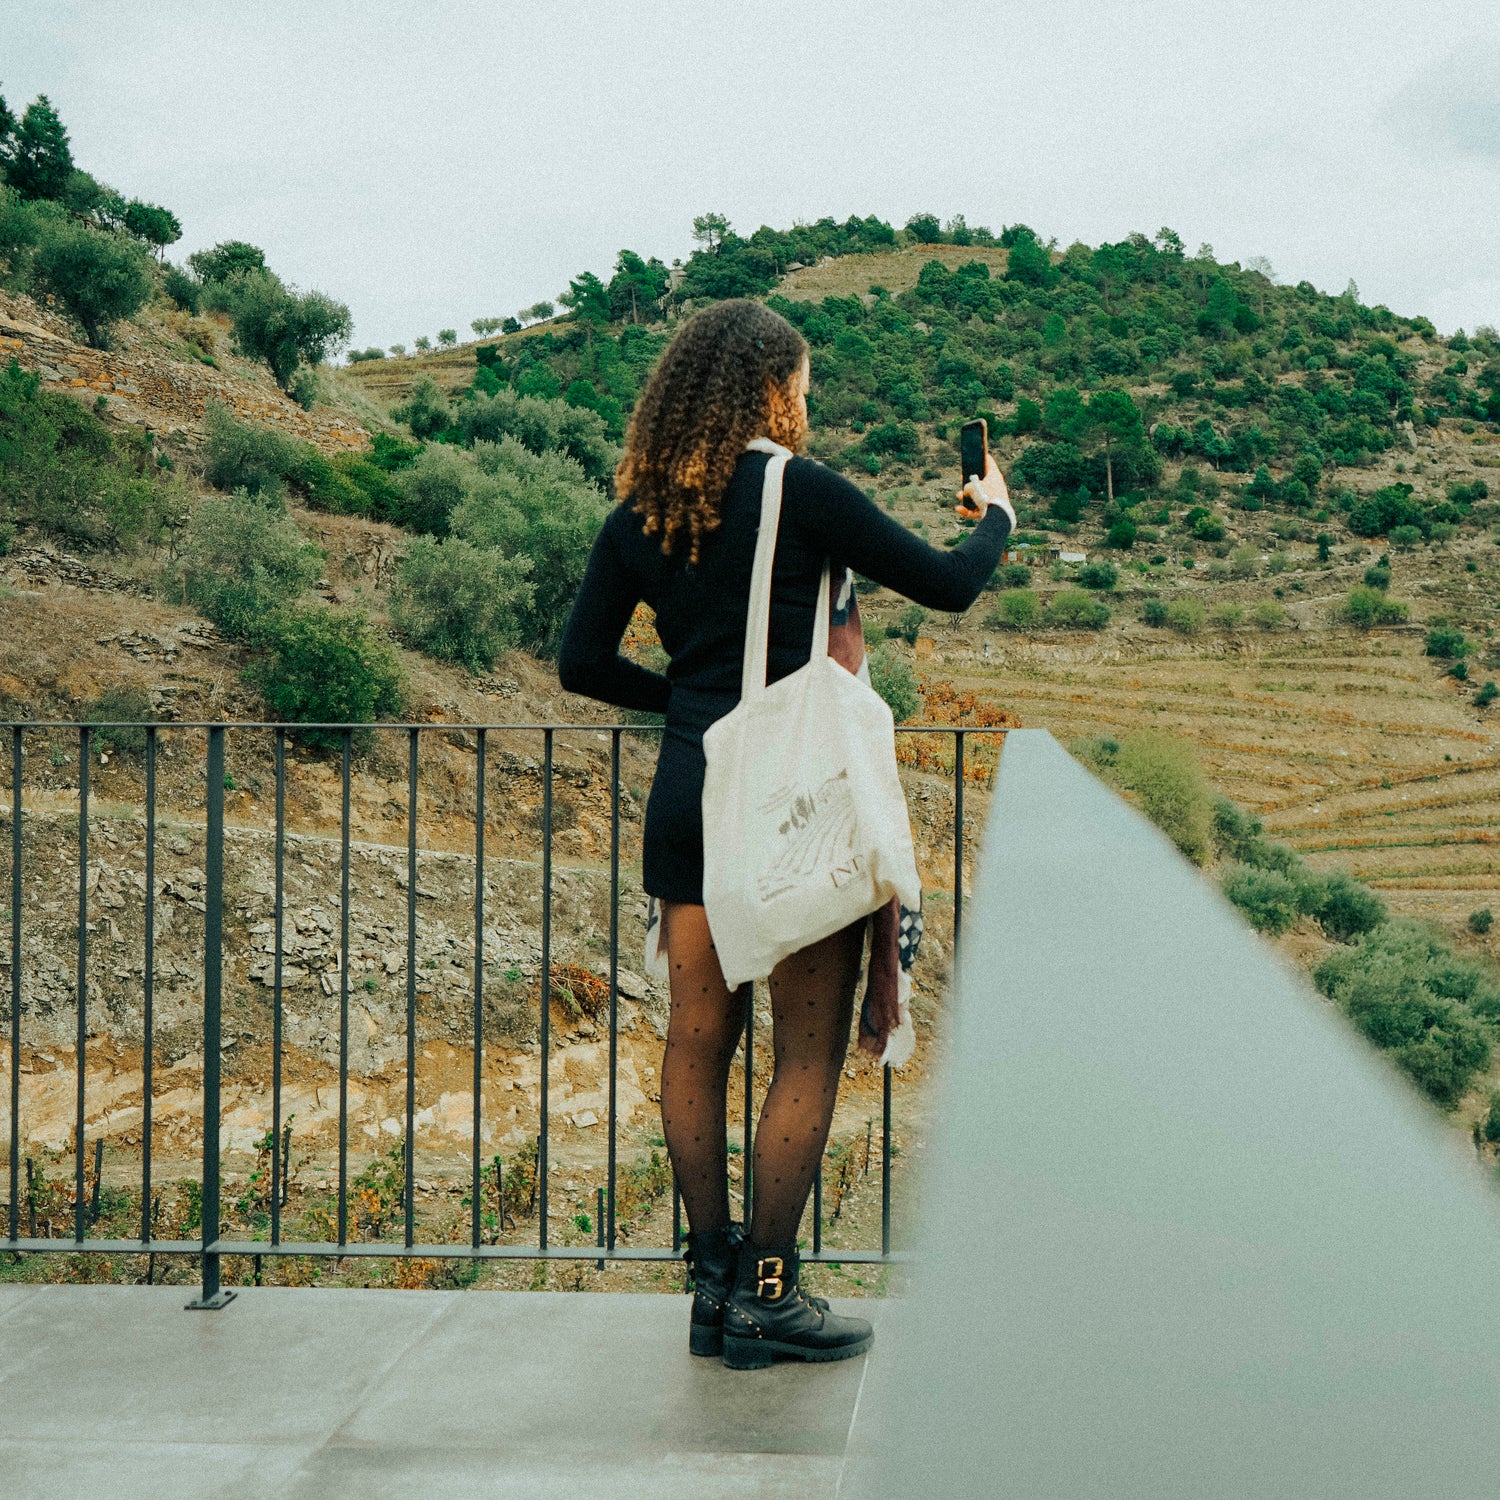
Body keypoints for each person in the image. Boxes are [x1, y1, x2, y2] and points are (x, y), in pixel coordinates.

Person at [558, 298, 1013, 1369]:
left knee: (696, 1045)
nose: (804, 405)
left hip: (690, 798)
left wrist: (684, 701)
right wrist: (994, 513)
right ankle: (770, 1294)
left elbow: (580, 665)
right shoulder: (797, 492)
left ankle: (712, 1289)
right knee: (804, 1055)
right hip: (792, 807)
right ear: (771, 390)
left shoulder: (638, 517)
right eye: (800, 387)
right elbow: (948, 586)